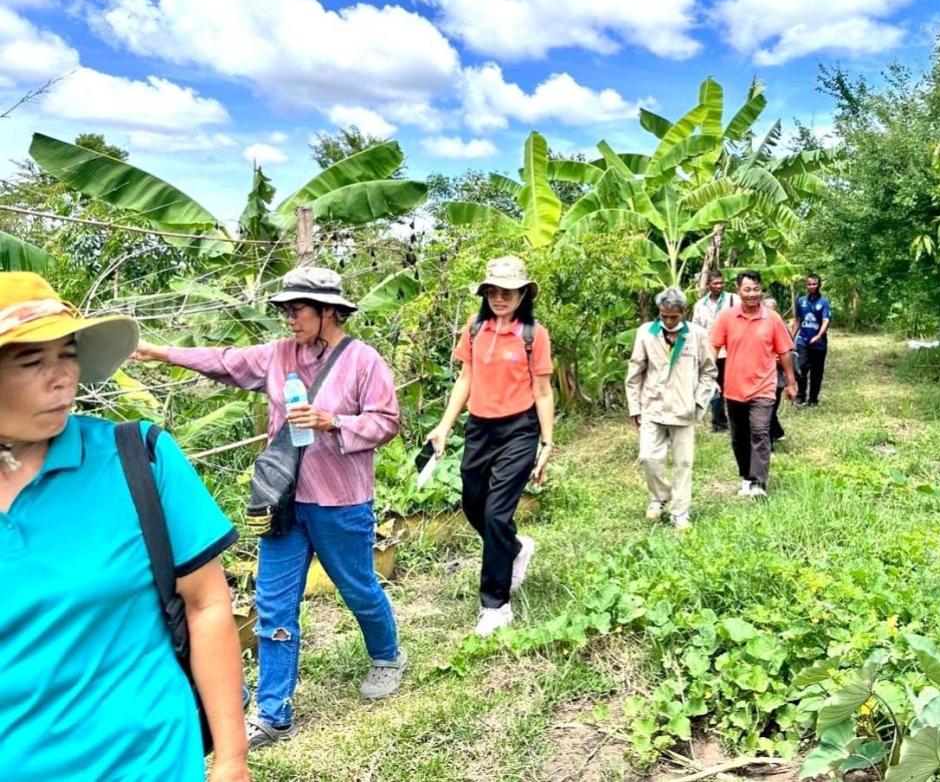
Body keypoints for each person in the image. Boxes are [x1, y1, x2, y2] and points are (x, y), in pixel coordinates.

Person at [134, 266, 405, 750]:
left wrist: (332, 421)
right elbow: (225, 360)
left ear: (328, 312)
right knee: (274, 603)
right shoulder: (278, 356)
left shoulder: (364, 361)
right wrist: (163, 352)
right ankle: (273, 712)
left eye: (297, 309)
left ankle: (387, 656)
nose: (289, 318)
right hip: (283, 503)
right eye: (285, 309)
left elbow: (387, 422)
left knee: (358, 586)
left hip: (341, 502)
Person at [0, 273, 249, 782]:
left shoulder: (136, 459)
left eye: (68, 354)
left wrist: (231, 760)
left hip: (148, 763)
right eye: (32, 361)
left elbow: (206, 602)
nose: (62, 378)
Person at [425, 256, 555, 637]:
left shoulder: (534, 334)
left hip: (520, 428)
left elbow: (543, 391)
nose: (500, 298)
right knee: (472, 501)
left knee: (497, 514)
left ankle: (495, 604)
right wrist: (444, 427)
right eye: (493, 291)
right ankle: (513, 549)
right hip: (480, 428)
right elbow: (466, 379)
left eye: (508, 292)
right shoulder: (475, 328)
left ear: (521, 295)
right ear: (484, 294)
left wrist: (547, 442)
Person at [625, 287, 718, 531]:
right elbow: (634, 373)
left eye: (673, 316)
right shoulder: (646, 333)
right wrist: (635, 407)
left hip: (684, 409)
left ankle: (680, 511)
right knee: (648, 457)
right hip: (652, 407)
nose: (667, 321)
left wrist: (699, 402)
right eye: (663, 315)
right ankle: (661, 495)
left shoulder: (696, 335)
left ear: (683, 313)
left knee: (683, 462)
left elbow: (709, 372)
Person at [709, 272, 797, 498]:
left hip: (764, 387)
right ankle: (746, 477)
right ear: (738, 290)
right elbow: (713, 347)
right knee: (739, 436)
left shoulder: (773, 318)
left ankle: (759, 482)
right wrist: (707, 376)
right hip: (734, 388)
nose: (752, 294)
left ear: (761, 290)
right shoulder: (726, 317)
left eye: (756, 289)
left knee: (760, 431)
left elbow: (784, 352)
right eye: (747, 290)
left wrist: (790, 382)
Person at [691, 269, 739, 432]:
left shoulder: (734, 300)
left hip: (731, 351)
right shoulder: (699, 306)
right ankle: (719, 421)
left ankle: (735, 421)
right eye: (715, 283)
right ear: (708, 285)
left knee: (731, 387)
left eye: (721, 283)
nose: (719, 286)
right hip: (710, 351)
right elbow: (696, 329)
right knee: (712, 385)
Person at [792, 274, 832, 407]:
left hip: (819, 344)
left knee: (817, 372)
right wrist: (791, 337)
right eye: (809, 284)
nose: (812, 286)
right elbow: (798, 320)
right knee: (801, 369)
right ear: (806, 285)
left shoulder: (824, 302)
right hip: (802, 341)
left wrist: (819, 336)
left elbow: (826, 321)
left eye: (814, 284)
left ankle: (813, 399)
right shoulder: (801, 301)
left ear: (819, 285)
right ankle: (801, 396)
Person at [762, 298, 789, 447]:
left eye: (772, 309)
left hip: (777, 376)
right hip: (759, 375)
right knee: (765, 410)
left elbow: (789, 352)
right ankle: (773, 436)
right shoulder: (755, 326)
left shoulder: (782, 327)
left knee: (770, 409)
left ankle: (774, 435)